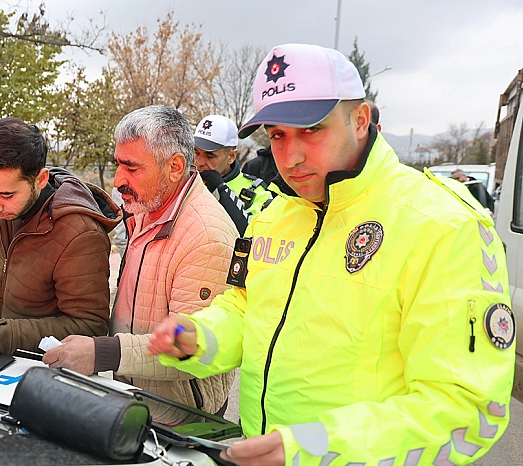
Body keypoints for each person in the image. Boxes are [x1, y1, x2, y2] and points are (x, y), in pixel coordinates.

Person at [148, 43, 514, 465]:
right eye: (278, 135)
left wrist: (315, 450)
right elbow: (244, 310)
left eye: (311, 129)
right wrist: (199, 337)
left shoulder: (442, 225)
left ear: (360, 120)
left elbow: (466, 410)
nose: (291, 156)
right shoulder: (274, 215)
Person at [43, 105, 239, 421]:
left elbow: (187, 350)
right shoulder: (147, 208)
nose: (119, 179)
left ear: (175, 167)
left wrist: (99, 353)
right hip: (138, 401)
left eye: (132, 168)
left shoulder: (206, 235)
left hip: (182, 419)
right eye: (118, 164)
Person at [0, 118, 121, 356]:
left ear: (40, 179)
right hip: (10, 363)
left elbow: (89, 327)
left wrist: (0, 335)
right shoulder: (7, 209)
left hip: (49, 372)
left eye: (6, 194)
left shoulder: (80, 233)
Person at [194, 114, 274, 233]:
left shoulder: (258, 192)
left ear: (231, 156)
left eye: (210, 156)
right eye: (196, 153)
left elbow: (253, 234)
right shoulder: (186, 182)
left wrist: (222, 191)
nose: (199, 163)